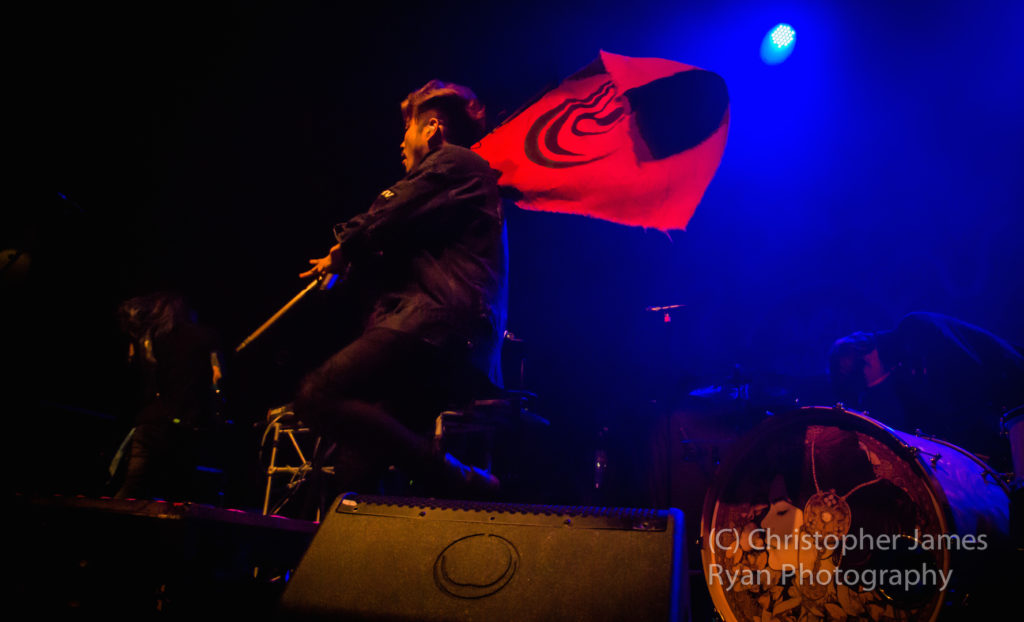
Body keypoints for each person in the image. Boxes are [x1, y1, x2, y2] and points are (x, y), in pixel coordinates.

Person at [294, 80, 507, 497]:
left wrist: (345, 243)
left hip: (437, 326)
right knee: (354, 472)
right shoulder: (452, 188)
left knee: (316, 393)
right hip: (445, 334)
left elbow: (388, 211)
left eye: (406, 129)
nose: (401, 142)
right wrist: (352, 258)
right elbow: (396, 247)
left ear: (431, 128)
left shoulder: (454, 163)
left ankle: (454, 477)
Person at [828, 311, 1024, 469]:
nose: (871, 388)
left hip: (1015, 397)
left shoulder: (914, 329)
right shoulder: (902, 372)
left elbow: (970, 380)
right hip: (1005, 415)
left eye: (865, 383)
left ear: (867, 361)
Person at [114, 292, 222, 500]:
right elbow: (218, 377)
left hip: (150, 422)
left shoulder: (150, 340)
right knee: (177, 493)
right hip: (183, 424)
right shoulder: (204, 337)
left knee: (133, 488)